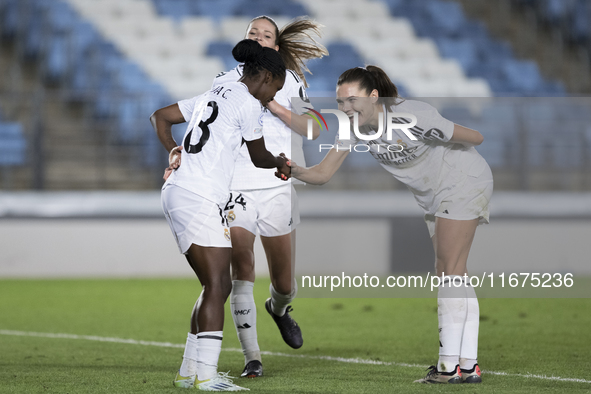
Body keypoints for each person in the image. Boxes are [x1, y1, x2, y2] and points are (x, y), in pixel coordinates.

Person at [287, 66, 493, 384]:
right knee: (454, 273)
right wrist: (292, 169)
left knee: (449, 269)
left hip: (462, 179)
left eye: (352, 100)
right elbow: (323, 174)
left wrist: (438, 132)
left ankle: (449, 367)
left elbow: (476, 137)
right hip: (435, 196)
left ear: (373, 96)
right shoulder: (352, 129)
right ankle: (467, 366)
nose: (346, 108)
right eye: (341, 102)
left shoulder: (412, 115)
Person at [181, 15, 327, 378]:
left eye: (267, 35)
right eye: (253, 34)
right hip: (236, 185)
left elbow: (312, 129)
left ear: (276, 47)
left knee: (285, 283)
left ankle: (278, 309)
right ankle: (252, 359)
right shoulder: (225, 80)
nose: (260, 38)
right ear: (246, 41)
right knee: (241, 267)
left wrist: (272, 103)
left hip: (278, 186)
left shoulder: (289, 80)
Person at [150, 39, 290, 391]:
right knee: (219, 284)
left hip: (181, 191)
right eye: (276, 87)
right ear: (267, 77)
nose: (272, 95)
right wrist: (280, 163)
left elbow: (161, 117)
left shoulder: (217, 91)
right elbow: (259, 157)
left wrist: (174, 150)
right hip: (197, 195)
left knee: (213, 285)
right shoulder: (247, 102)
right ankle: (206, 378)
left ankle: (189, 373)